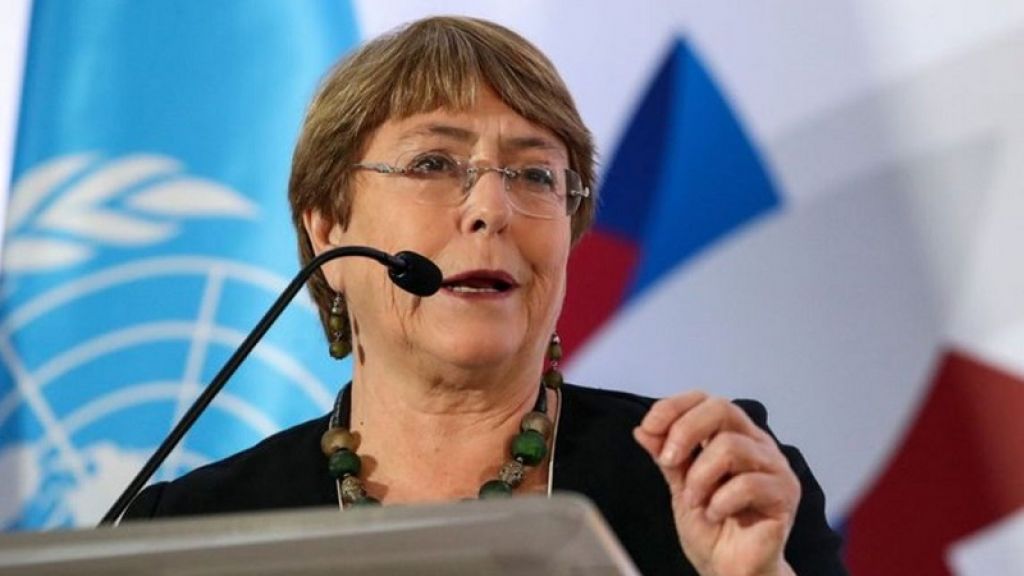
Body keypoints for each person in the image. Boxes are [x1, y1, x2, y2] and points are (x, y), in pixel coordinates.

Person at [124, 16, 848, 575]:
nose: (491, 209)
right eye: (433, 163)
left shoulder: (709, 481)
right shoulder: (190, 531)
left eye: (535, 175)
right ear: (327, 232)